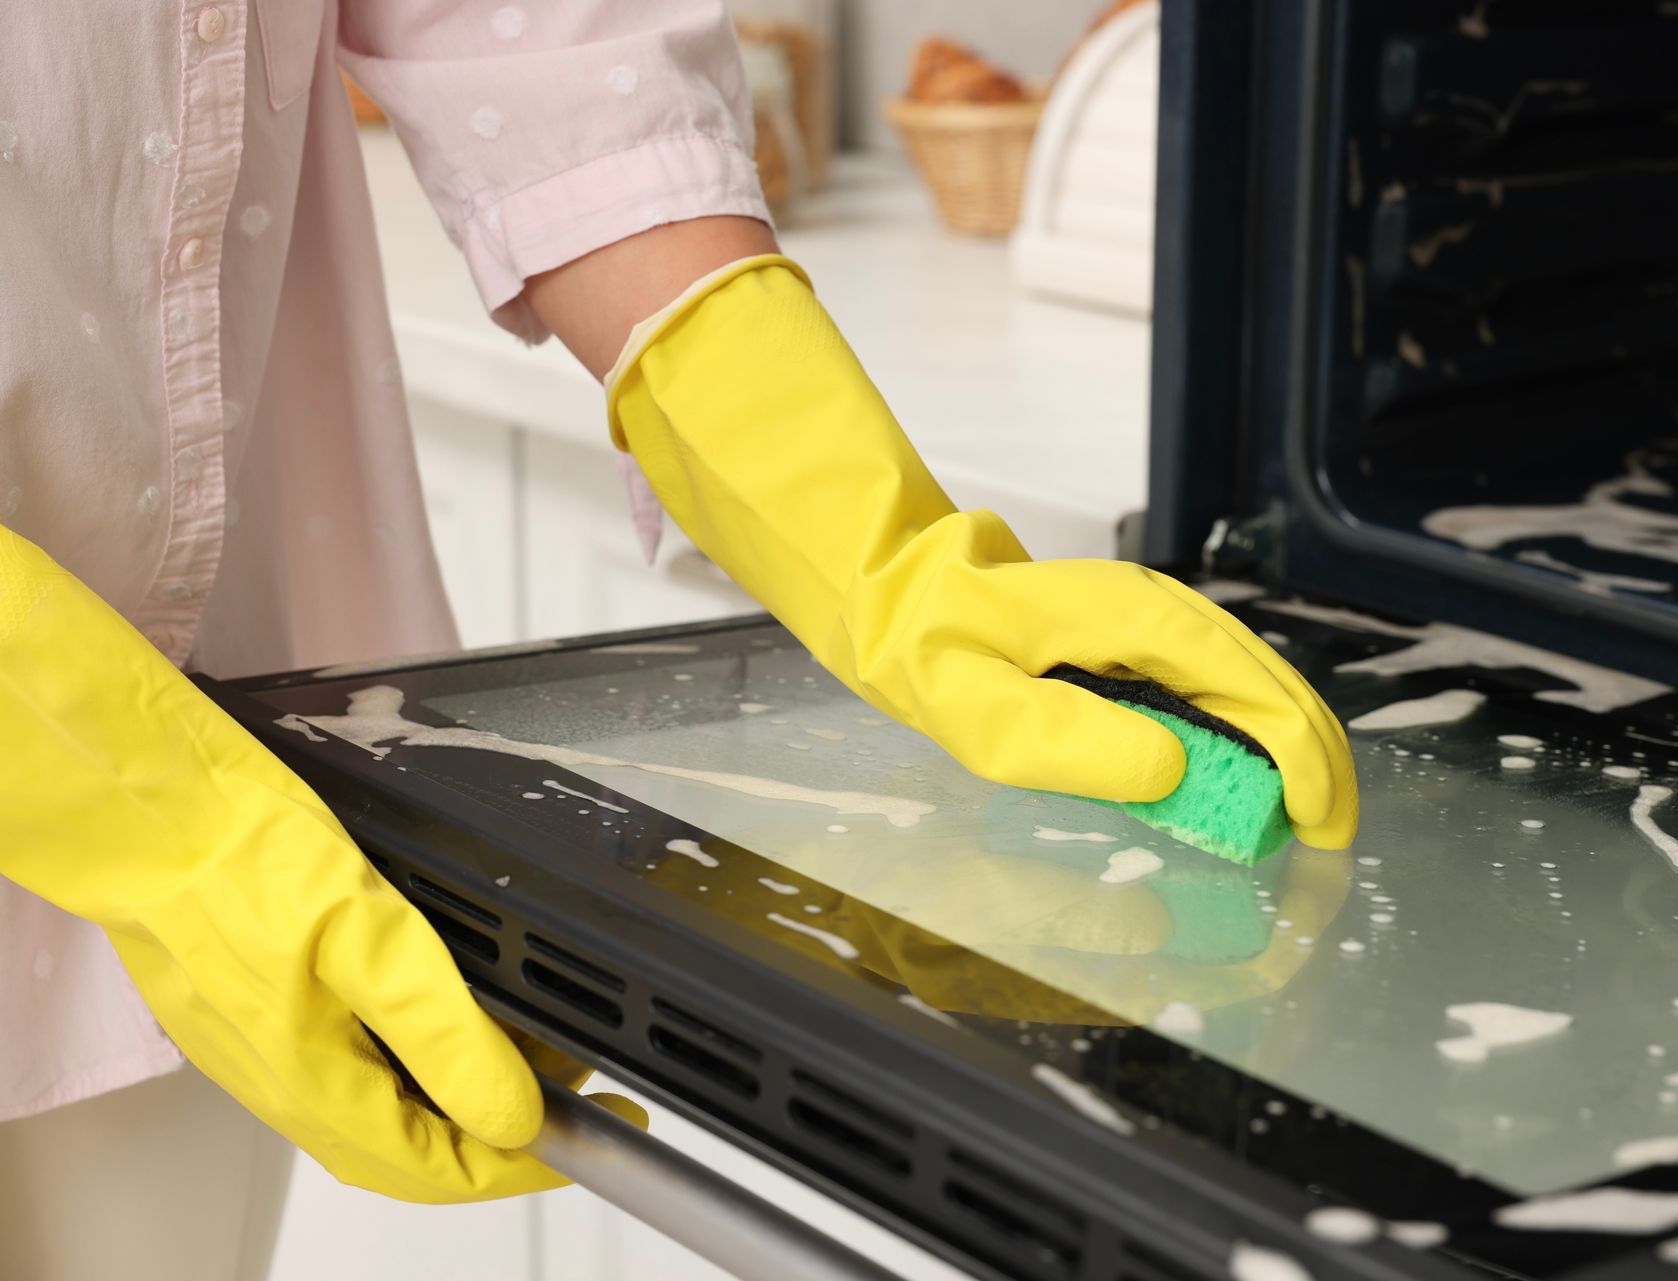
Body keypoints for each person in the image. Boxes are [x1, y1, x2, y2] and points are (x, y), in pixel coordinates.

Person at [0, 3, 1358, 1276]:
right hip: (173, 835)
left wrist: (870, 545)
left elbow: (536, 42)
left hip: (217, 790)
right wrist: (142, 805)